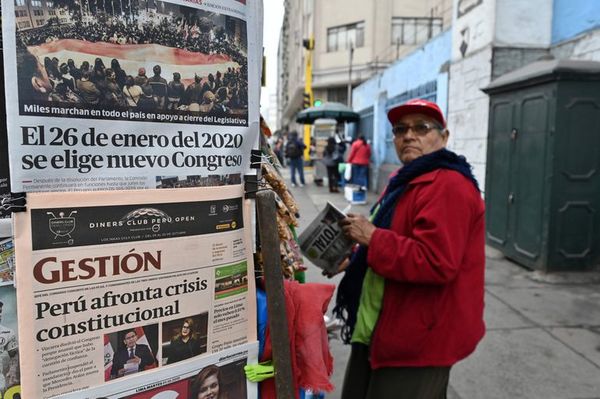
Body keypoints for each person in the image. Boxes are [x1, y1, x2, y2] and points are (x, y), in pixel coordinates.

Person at [333, 99, 485, 399]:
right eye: (400, 129)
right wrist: (354, 257)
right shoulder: (406, 180)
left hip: (418, 339)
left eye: (422, 127)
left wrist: (373, 238)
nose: (409, 135)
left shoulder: (448, 185)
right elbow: (394, 236)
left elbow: (436, 261)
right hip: (383, 326)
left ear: (444, 136)